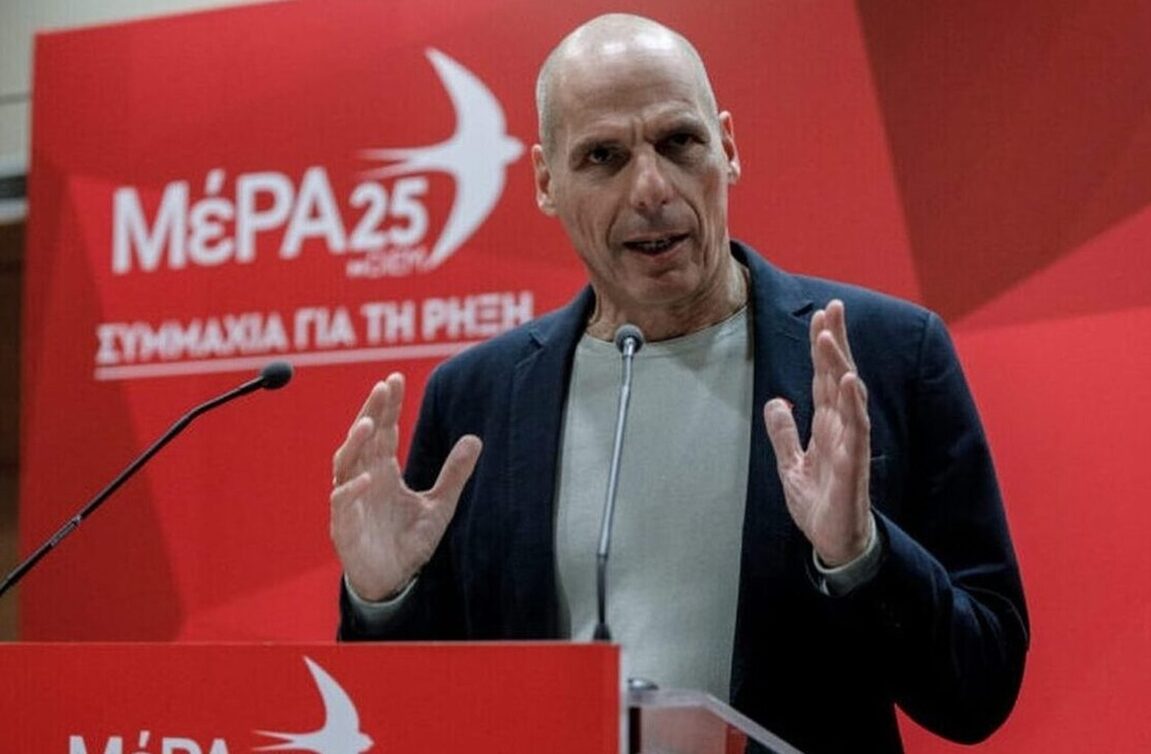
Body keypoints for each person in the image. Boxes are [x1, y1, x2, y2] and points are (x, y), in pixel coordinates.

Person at [331, 13, 1028, 753]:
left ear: (727, 148)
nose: (650, 188)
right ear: (545, 181)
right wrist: (384, 601)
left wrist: (860, 556)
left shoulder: (885, 354)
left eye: (678, 141)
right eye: (603, 157)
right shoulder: (477, 400)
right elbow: (409, 715)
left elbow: (979, 688)